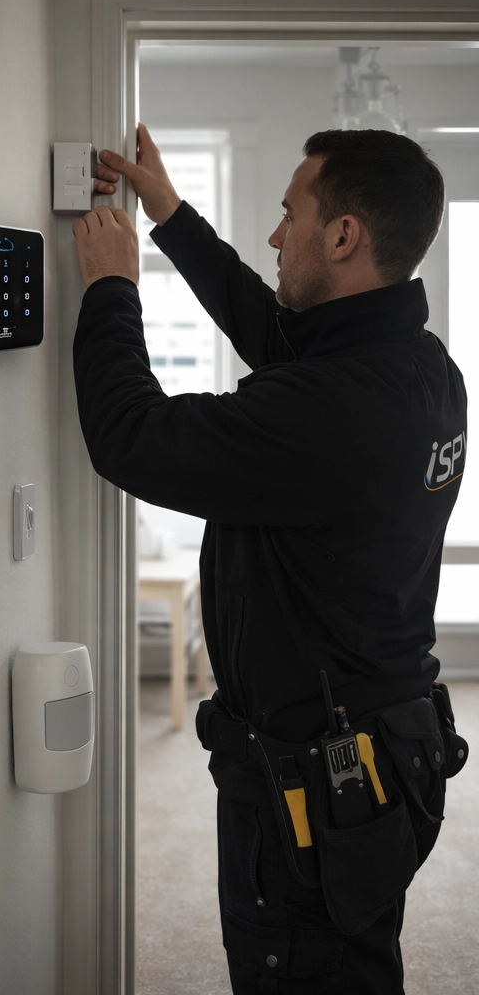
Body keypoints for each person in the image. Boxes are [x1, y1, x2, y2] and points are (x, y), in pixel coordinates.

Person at [71, 125, 468, 994]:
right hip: (385, 751)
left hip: (315, 781)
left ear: (342, 236)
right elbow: (278, 333)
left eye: (291, 215)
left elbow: (130, 438)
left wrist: (111, 288)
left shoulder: (334, 409)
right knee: (357, 958)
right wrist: (170, 217)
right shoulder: (422, 368)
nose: (275, 235)